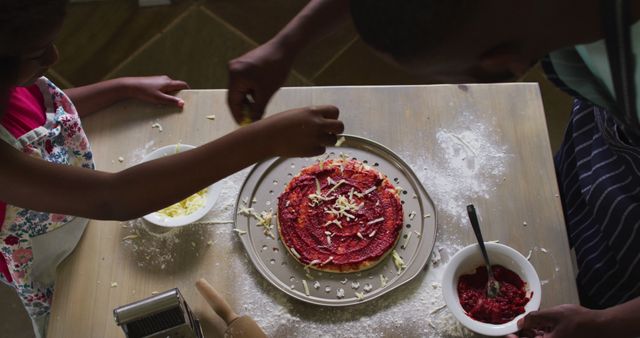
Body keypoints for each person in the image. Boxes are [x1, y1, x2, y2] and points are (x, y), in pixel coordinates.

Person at [226, 0, 640, 336]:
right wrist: (288, 43)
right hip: (604, 132)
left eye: (460, 79)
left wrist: (607, 323)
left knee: (598, 281)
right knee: (562, 214)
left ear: (502, 66)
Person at [0, 1, 344, 336]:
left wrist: (120, 88)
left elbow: (49, 109)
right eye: (37, 52)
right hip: (48, 258)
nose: (53, 57)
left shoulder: (13, 85)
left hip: (77, 212)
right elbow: (112, 197)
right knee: (74, 314)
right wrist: (262, 141)